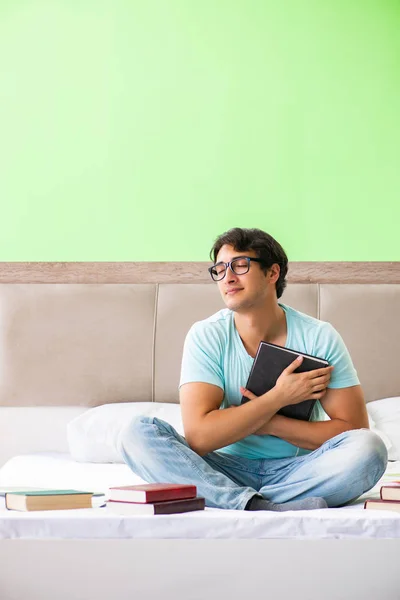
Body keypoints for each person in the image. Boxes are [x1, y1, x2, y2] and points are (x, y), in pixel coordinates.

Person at [119, 227, 388, 511]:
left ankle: (239, 501)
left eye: (240, 265)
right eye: (220, 269)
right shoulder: (207, 335)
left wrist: (269, 422)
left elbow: (353, 430)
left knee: (369, 449)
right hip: (220, 468)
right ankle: (256, 504)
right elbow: (199, 437)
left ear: (272, 273)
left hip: (299, 470)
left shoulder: (319, 336)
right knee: (136, 434)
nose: (228, 277)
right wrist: (278, 398)